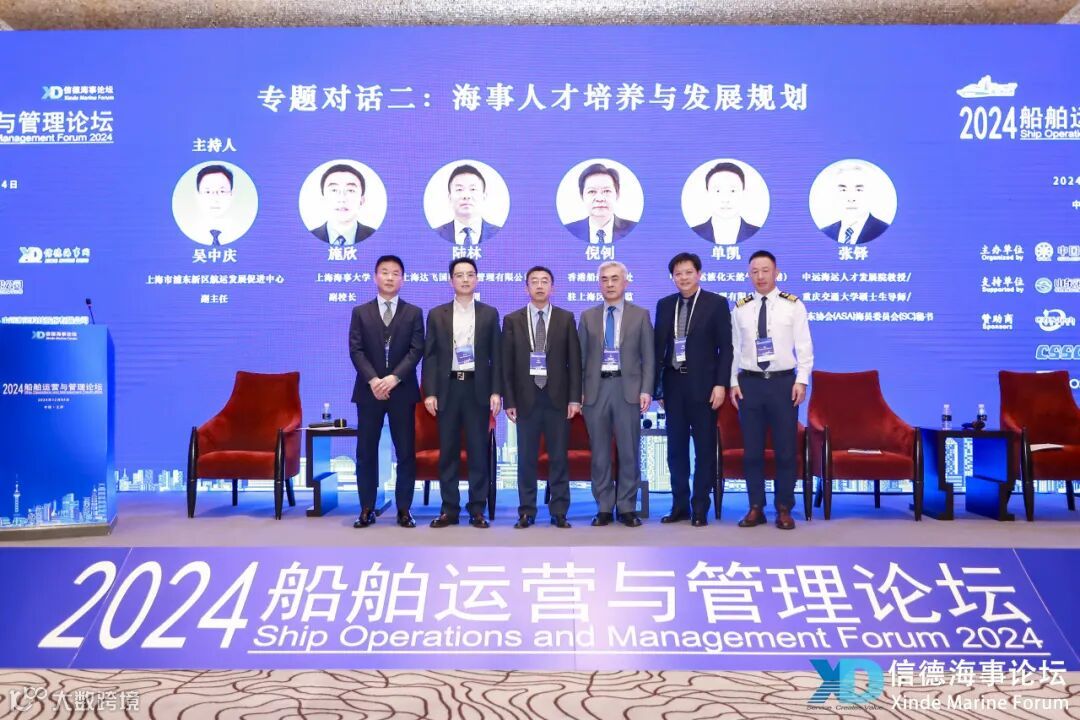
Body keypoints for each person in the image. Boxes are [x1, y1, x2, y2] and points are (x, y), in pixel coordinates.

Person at [730, 250, 813, 530]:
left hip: (783, 383)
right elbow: (733, 349)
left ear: (776, 272)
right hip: (750, 384)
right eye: (754, 271)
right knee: (752, 451)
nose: (760, 276)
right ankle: (756, 507)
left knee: (785, 450)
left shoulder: (793, 305)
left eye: (765, 270)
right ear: (749, 274)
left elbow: (804, 346)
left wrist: (802, 380)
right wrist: (733, 382)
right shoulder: (740, 308)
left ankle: (784, 507)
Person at [653, 252, 732, 526]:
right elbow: (658, 350)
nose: (683, 278)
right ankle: (679, 505)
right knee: (675, 450)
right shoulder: (665, 305)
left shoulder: (716, 304)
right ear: (672, 277)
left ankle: (700, 508)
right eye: (678, 274)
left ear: (699, 274)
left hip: (705, 387)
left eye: (688, 272)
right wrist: (657, 389)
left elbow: (726, 348)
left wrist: (721, 384)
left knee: (704, 449)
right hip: (673, 385)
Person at [422, 258, 503, 528]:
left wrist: (496, 391)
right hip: (448, 389)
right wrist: (430, 392)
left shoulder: (489, 313)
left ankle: (477, 509)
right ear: (451, 281)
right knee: (448, 452)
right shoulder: (437, 314)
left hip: (477, 389)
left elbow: (497, 356)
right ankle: (449, 509)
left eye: (470, 274)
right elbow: (430, 357)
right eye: (459, 275)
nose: (465, 279)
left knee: (478, 452)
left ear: (477, 279)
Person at [502, 266, 582, 529]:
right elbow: (507, 364)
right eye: (534, 282)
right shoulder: (512, 320)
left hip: (558, 399)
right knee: (526, 459)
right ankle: (526, 511)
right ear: (526, 288)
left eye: (544, 281)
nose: (539, 286)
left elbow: (574, 362)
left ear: (552, 287)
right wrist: (509, 400)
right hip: (525, 400)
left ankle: (559, 511)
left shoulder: (565, 318)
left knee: (559, 457)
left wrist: (574, 398)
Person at [348, 255, 424, 528]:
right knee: (365, 452)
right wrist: (373, 380)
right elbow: (356, 350)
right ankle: (366, 508)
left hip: (402, 391)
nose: (390, 277)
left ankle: (404, 509)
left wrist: (393, 378)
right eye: (384, 272)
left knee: (405, 452)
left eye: (395, 273)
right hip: (369, 392)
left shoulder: (413, 312)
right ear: (375, 277)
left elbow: (416, 350)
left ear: (402, 279)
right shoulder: (361, 312)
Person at [578, 261, 654, 527]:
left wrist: (646, 389)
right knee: (599, 454)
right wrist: (579, 392)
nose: (609, 284)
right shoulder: (587, 316)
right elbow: (579, 359)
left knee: (629, 451)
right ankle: (603, 506)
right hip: (595, 390)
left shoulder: (640, 315)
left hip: (627, 389)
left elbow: (648, 357)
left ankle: (626, 507)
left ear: (625, 282)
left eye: (614, 279)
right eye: (604, 279)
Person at [563, 163, 638, 244]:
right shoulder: (567, 232)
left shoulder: (636, 230)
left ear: (617, 195)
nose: (600, 198)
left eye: (606, 191)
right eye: (592, 191)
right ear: (582, 196)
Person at [690, 162, 761, 245]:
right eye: (717, 191)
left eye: (733, 191)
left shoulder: (759, 234)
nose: (725, 199)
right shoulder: (693, 234)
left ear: (743, 193)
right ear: (707, 194)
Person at [818, 163, 890, 245]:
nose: (851, 198)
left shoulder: (885, 232)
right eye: (843, 190)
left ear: (872, 193)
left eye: (859, 190)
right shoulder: (825, 233)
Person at [434, 164, 502, 245]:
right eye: (459, 189)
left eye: (473, 189)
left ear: (484, 196)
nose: (466, 196)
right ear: (450, 197)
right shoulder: (435, 235)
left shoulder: (501, 235)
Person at [310, 164, 377, 246]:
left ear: (362, 200)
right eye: (334, 190)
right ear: (323, 199)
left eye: (350, 190)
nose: (342, 199)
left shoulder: (377, 237)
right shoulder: (307, 238)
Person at [191, 164, 239, 246]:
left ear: (232, 195)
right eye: (208, 192)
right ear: (198, 196)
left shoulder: (245, 234)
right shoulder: (187, 235)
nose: (215, 198)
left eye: (222, 191)